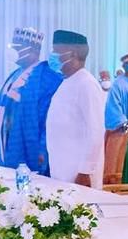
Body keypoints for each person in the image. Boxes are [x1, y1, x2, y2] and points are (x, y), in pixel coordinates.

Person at [0, 27, 62, 173]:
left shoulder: (47, 77)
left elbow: (49, 119)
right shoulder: (15, 74)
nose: (13, 50)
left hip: (28, 147)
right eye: (12, 46)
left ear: (33, 50)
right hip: (6, 142)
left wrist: (42, 149)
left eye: (17, 47)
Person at [44, 30, 106, 188]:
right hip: (62, 171)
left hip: (79, 176)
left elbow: (96, 131)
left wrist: (85, 172)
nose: (52, 56)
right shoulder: (67, 81)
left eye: (57, 52)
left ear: (75, 54)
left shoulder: (87, 84)